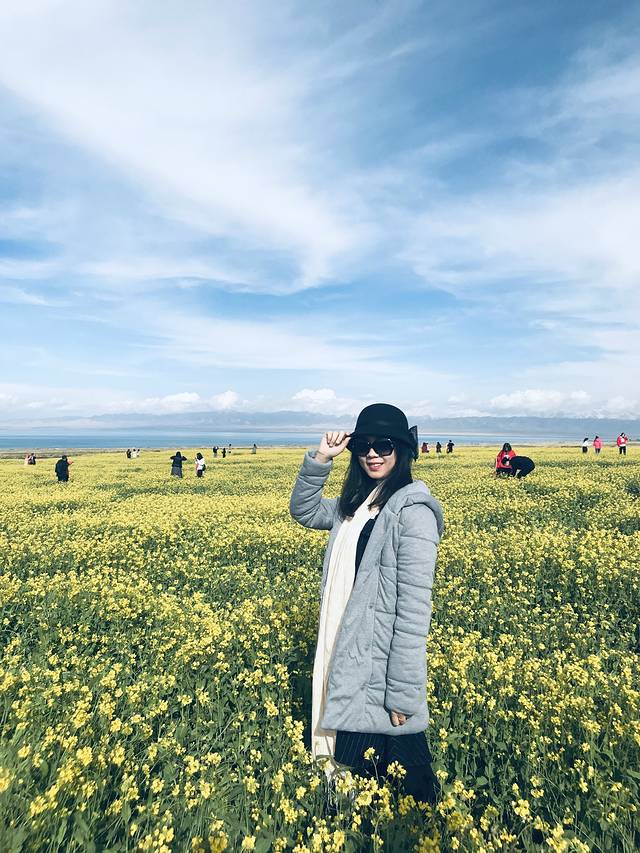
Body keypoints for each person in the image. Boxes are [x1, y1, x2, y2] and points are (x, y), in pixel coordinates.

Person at [290, 403, 444, 805]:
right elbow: (304, 510)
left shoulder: (413, 514)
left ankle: (417, 829)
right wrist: (321, 457)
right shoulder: (355, 504)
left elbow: (414, 611)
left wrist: (403, 693)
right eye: (363, 446)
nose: (372, 454)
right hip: (347, 648)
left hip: (377, 659)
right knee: (362, 771)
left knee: (401, 777)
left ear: (403, 450)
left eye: (384, 445)